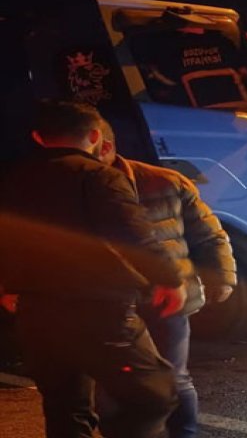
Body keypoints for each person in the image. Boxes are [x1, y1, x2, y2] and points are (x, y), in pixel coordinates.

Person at [0, 99, 185, 438]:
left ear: (38, 137)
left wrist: (7, 286)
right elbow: (132, 235)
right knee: (155, 394)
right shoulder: (99, 177)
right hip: (99, 312)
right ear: (96, 135)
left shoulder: (13, 180)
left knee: (66, 408)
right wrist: (169, 279)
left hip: (36, 314)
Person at [98, 123, 237, 438]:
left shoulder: (165, 181)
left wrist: (222, 278)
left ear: (104, 146)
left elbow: (209, 234)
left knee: (173, 377)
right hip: (110, 302)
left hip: (166, 299)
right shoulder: (83, 186)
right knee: (110, 381)